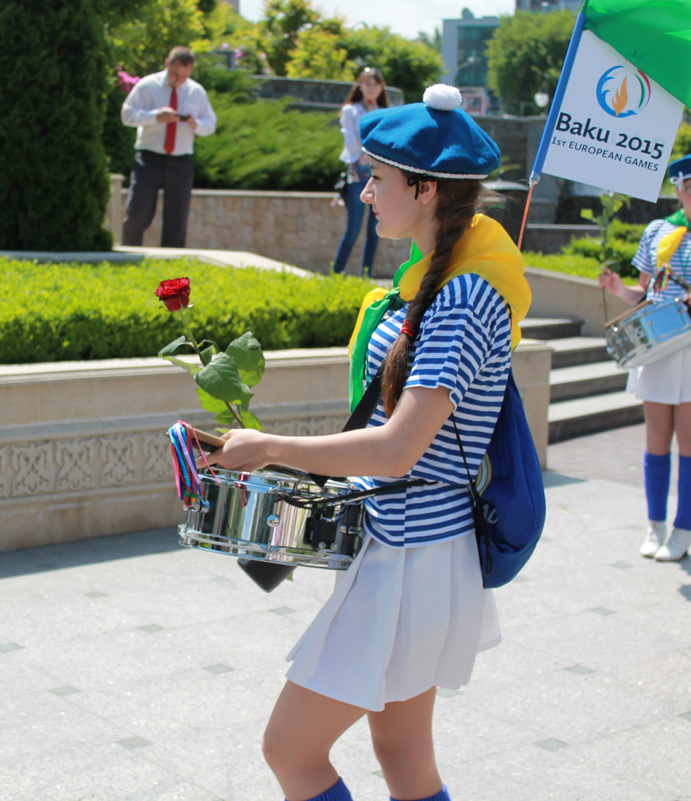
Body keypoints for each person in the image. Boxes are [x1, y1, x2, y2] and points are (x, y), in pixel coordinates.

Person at [201, 84, 531, 801]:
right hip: (413, 549)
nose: (365, 190)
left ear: (426, 188)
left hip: (412, 555)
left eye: (376, 177)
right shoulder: (436, 282)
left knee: (291, 749)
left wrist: (269, 447)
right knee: (404, 755)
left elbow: (395, 450)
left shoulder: (465, 295)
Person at [599, 147, 691, 561]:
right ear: (679, 191)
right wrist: (616, 289)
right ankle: (655, 526)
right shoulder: (657, 231)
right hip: (657, 347)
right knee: (656, 439)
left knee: (690, 439)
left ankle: (683, 531)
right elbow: (643, 294)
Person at [120, 46, 216, 248]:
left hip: (180, 162)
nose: (179, 80)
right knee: (137, 214)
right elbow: (126, 116)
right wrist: (155, 117)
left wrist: (194, 123)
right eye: (175, 75)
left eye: (184, 77)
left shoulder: (196, 92)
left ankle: (171, 278)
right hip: (149, 159)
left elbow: (211, 124)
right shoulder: (148, 86)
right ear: (166, 64)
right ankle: (127, 260)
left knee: (177, 222)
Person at [331, 67, 389, 276]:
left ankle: (366, 276)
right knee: (353, 228)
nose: (371, 88)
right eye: (367, 83)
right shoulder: (351, 111)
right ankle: (336, 274)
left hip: (379, 174)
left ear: (381, 87)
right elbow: (350, 145)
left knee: (375, 229)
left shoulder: (386, 111)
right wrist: (367, 129)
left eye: (375, 84)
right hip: (357, 174)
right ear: (360, 86)